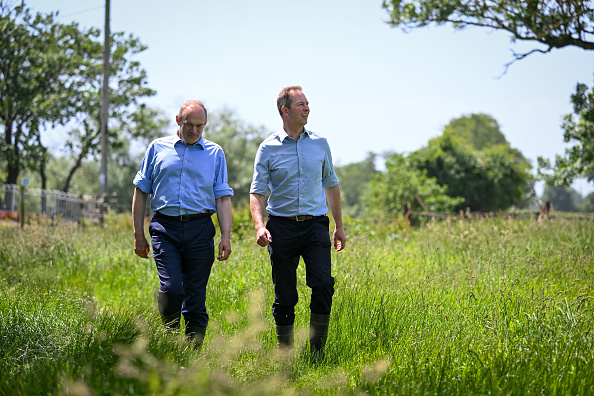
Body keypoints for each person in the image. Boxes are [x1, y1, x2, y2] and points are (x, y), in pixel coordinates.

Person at [249, 86, 346, 354]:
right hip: (281, 227)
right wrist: (259, 225)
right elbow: (257, 192)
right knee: (286, 296)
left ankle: (317, 351)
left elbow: (331, 184)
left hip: (316, 225)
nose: (307, 109)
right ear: (285, 110)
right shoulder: (267, 148)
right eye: (301, 104)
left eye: (307, 103)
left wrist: (338, 226)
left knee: (324, 284)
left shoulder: (320, 143)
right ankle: (285, 352)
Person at [132, 99, 233, 348]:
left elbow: (222, 197)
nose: (194, 131)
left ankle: (193, 354)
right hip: (166, 228)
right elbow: (141, 191)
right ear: (179, 121)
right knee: (172, 288)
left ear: (205, 124)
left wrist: (226, 237)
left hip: (200, 229)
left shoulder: (215, 153)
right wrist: (138, 235)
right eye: (189, 124)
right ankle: (169, 340)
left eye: (200, 126)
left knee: (196, 297)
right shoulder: (157, 149)